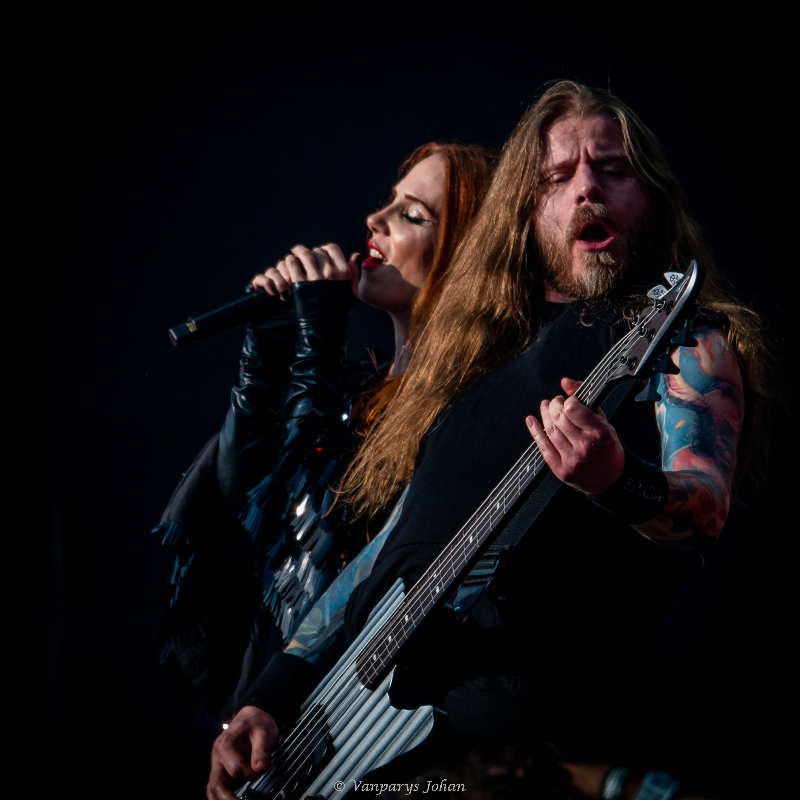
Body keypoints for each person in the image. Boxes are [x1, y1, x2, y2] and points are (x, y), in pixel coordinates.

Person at [205, 80, 775, 800]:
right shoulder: (475, 367)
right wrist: (269, 697)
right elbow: (384, 556)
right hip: (355, 743)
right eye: (557, 177)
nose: (587, 189)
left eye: (612, 169)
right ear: (526, 213)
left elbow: (704, 507)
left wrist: (616, 480)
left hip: (514, 758)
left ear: (654, 197)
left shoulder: (686, 344)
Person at [151, 141, 498, 760]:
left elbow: (346, 523)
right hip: (271, 710)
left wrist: (318, 336)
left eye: (412, 215)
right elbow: (249, 503)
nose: (374, 220)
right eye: (388, 201)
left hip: (348, 727)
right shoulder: (359, 390)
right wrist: (268, 346)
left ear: (468, 257)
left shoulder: (462, 413)